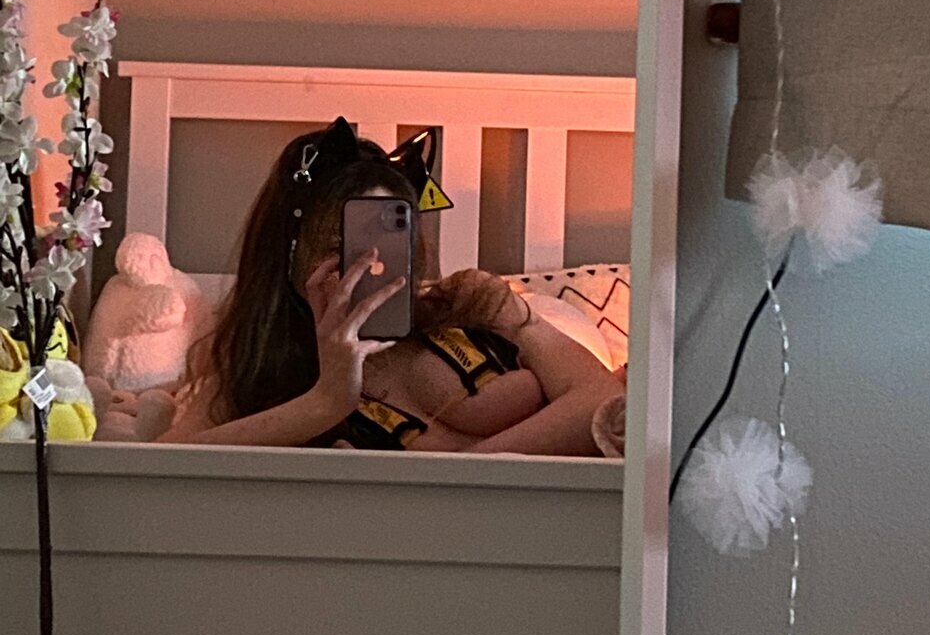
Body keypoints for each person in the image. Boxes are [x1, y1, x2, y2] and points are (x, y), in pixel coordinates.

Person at [162, 121, 619, 454]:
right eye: (342, 242)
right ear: (291, 252)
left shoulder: (471, 300)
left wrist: (469, 472)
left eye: (391, 233)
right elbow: (162, 470)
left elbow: (605, 402)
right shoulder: (255, 364)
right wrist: (323, 403)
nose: (369, 261)